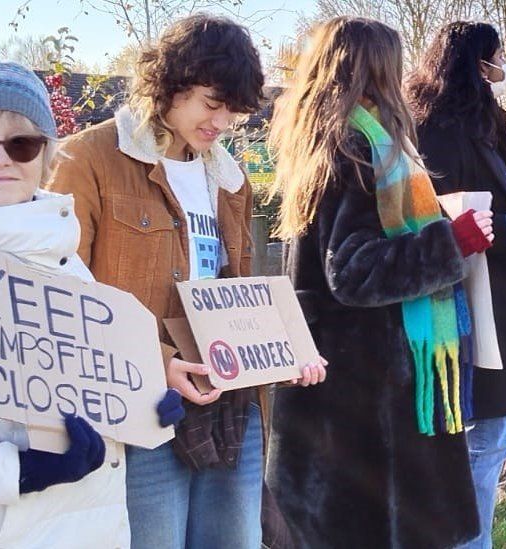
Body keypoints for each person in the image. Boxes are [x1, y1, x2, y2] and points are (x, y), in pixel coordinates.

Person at [48, 15, 326, 548]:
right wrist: (156, 361)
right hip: (141, 401)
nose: (221, 121)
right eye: (209, 102)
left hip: (229, 397)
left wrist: (285, 351)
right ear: (168, 84)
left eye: (233, 110)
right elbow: (64, 293)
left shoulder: (228, 178)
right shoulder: (88, 160)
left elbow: (237, 289)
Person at [265, 16, 487, 548]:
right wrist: (448, 243)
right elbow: (354, 272)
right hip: (366, 393)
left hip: (339, 387)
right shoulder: (357, 147)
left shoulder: (329, 144)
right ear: (375, 71)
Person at [0, 61, 132, 547]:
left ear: (47, 157)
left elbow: (87, 380)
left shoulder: (63, 254)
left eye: (21, 144)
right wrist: (17, 471)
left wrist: (140, 404)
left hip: (89, 525)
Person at [404, 22, 506, 547]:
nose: (500, 70)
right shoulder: (436, 132)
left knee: (491, 442)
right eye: (494, 59)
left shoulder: (481, 124)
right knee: (479, 444)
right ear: (472, 64)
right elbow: (439, 220)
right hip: (470, 307)